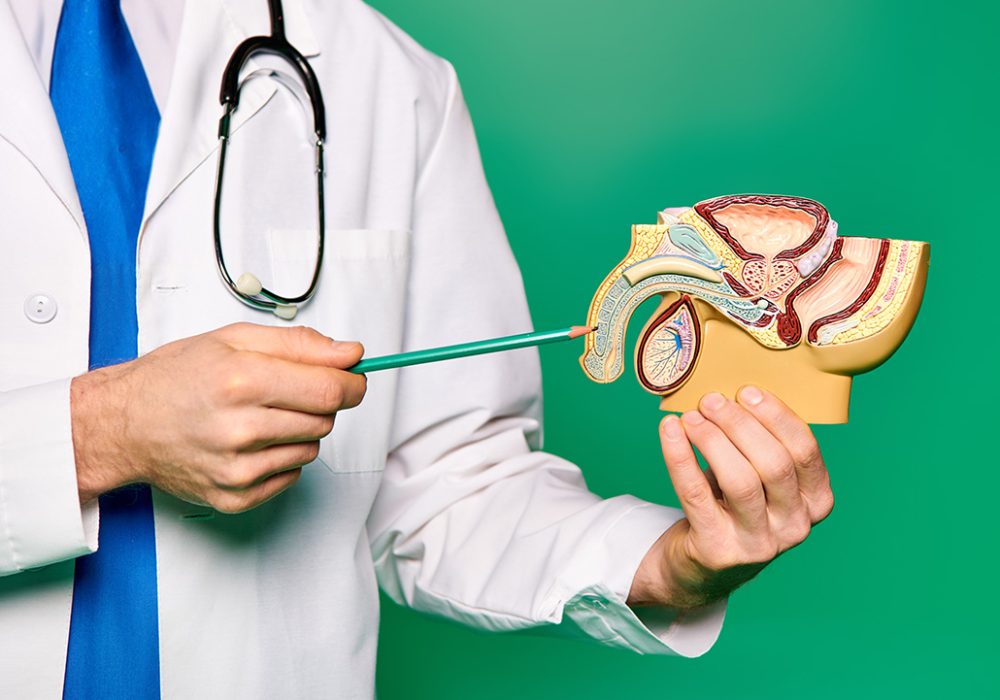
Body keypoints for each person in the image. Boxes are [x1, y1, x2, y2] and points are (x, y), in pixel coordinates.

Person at [0, 1, 834, 697]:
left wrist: (663, 566)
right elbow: (109, 427)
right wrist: (102, 430)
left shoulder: (386, 81)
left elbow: (447, 482)